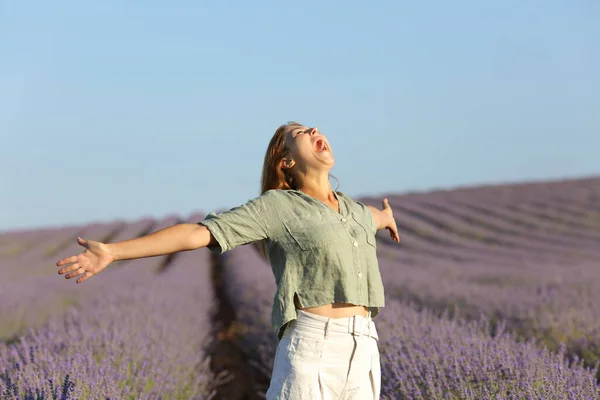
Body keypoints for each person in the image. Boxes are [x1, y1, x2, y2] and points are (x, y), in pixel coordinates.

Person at [56, 122, 400, 399]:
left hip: (365, 348)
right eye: (300, 134)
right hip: (315, 347)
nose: (314, 132)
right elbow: (197, 233)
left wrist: (386, 217)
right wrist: (114, 251)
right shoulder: (277, 207)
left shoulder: (354, 210)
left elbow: (372, 217)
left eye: (313, 128)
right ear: (287, 162)